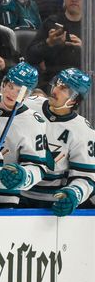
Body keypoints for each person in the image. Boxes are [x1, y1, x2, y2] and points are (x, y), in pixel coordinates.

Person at [0, 62, 48, 208]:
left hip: (4, 198)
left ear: (28, 94)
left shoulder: (33, 122)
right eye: (11, 86)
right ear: (4, 84)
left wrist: (23, 176)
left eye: (20, 91)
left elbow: (38, 167)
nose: (12, 94)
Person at [22, 68, 94, 216]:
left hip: (52, 204)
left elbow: (86, 177)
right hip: (17, 195)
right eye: (57, 83)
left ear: (74, 99)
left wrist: (74, 193)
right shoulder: (28, 105)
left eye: (64, 88)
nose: (55, 89)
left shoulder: (83, 130)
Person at [26, 0, 82, 89]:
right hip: (54, 80)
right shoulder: (51, 22)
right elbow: (31, 57)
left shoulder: (91, 26)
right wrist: (48, 43)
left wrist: (84, 49)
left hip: (84, 79)